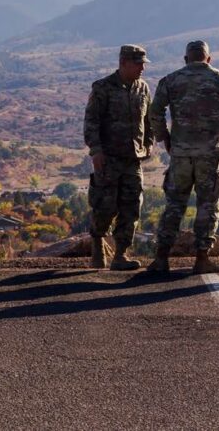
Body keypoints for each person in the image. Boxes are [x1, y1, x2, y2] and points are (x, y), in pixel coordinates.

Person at [148, 40, 219, 274]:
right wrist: (216, 128)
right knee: (208, 206)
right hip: (210, 154)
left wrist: (166, 138)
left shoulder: (171, 80)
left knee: (174, 205)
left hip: (180, 153)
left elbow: (154, 111)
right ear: (208, 59)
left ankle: (161, 258)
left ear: (186, 59)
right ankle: (201, 258)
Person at [83, 45, 154, 270]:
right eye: (138, 63)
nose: (142, 68)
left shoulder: (143, 89)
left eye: (143, 63)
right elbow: (91, 121)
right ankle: (98, 244)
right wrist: (96, 150)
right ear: (123, 63)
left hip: (133, 159)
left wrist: (149, 143)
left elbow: (148, 120)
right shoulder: (103, 88)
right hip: (109, 158)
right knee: (105, 206)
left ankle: (121, 254)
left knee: (132, 206)